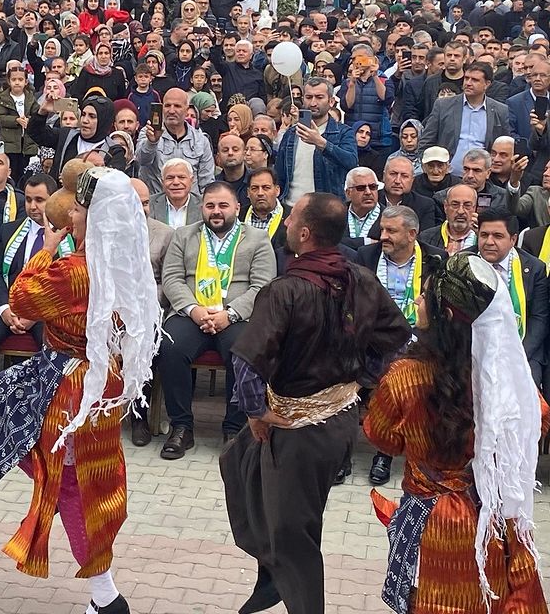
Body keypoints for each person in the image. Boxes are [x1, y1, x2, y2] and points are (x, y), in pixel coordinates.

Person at [0, 166, 161, 614]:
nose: (69, 214)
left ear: (92, 217)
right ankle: (100, 585)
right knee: (2, 421)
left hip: (71, 385)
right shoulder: (126, 262)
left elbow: (22, 299)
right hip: (98, 380)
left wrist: (45, 252)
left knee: (72, 483)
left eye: (77, 208)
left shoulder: (75, 269)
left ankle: (106, 596)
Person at [220, 192, 411, 614]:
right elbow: (396, 336)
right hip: (334, 423)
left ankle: (294, 589)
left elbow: (247, 359)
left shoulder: (284, 290)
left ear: (304, 233)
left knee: (295, 533)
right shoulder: (361, 277)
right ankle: (271, 571)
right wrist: (362, 380)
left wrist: (255, 411)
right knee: (238, 463)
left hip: (296, 429)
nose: (285, 221)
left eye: (291, 217)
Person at [364, 251, 548, 614]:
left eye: (425, 295)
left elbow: (382, 436)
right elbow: (537, 420)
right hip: (490, 523)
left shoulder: (403, 379)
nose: (417, 301)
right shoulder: (508, 382)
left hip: (428, 524)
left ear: (444, 315)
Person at [158, 181, 276, 459]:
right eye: (210, 206)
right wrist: (192, 309)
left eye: (223, 205)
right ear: (202, 208)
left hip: (236, 315)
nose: (216, 211)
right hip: (192, 312)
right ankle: (181, 427)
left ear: (237, 207)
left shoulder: (257, 239)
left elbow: (263, 285)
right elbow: (172, 278)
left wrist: (230, 314)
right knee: (169, 346)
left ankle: (234, 429)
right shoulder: (185, 236)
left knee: (245, 350)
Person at [357, 206, 446, 485]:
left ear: (412, 234)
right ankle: (345, 454)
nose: (383, 236)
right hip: (372, 340)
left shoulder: (434, 259)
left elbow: (438, 310)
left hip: (417, 341)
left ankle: (385, 451)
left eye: (391, 231)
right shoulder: (366, 257)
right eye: (382, 229)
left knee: (407, 370)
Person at [0, 174, 66, 385]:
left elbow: (64, 286)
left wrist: (35, 315)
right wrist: (4, 309)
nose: (33, 206)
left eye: (39, 200)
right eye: (28, 200)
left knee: (54, 343)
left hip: (47, 313)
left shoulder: (67, 236)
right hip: (10, 306)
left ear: (53, 199)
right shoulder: (10, 230)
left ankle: (41, 402)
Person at [477, 208, 548, 385]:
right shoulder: (463, 263)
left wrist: (518, 355)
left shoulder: (533, 268)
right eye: (484, 235)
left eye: (498, 236)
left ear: (513, 239)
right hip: (474, 351)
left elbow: (539, 318)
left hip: (522, 350)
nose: (489, 242)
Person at [128, 177, 174, 447]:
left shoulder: (164, 233)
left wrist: (142, 304)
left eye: (146, 203)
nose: (143, 209)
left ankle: (138, 416)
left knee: (144, 338)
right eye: (136, 203)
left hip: (151, 307)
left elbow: (168, 282)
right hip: (112, 308)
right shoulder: (102, 231)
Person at [420, 62, 511, 177]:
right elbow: (426, 141)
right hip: (446, 176)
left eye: (475, 80)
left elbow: (504, 145)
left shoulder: (500, 110)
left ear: (487, 84)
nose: (468, 83)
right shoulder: (443, 105)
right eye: (466, 78)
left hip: (482, 178)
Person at [276, 77, 358, 204]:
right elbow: (279, 174)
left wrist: (321, 143)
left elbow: (351, 162)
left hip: (326, 210)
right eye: (308, 97)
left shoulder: (343, 132)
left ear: (331, 101)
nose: (313, 103)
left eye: (319, 97)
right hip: (291, 206)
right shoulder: (292, 133)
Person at [136, 88, 215, 195]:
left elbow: (207, 181)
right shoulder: (148, 132)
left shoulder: (201, 140)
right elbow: (142, 161)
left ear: (187, 110)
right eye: (167, 106)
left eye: (177, 106)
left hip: (191, 206)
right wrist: (151, 143)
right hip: (157, 204)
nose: (171, 111)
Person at [378, 157, 436, 232]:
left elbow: (424, 238)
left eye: (404, 176)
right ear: (384, 176)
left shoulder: (425, 205)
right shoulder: (372, 200)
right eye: (393, 174)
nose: (397, 181)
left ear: (412, 180)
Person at [419, 184, 478, 254]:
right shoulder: (425, 238)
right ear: (445, 207)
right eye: (455, 205)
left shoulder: (482, 239)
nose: (460, 211)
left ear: (475, 208)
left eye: (467, 205)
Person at [241, 167, 289, 250]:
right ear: (248, 193)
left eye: (266, 188)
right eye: (254, 188)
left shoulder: (291, 217)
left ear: (277, 191)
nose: (260, 193)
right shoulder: (238, 217)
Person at [148, 158, 202, 229]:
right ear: (162, 182)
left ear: (191, 180)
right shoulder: (149, 204)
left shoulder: (204, 205)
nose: (176, 182)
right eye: (170, 178)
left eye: (181, 177)